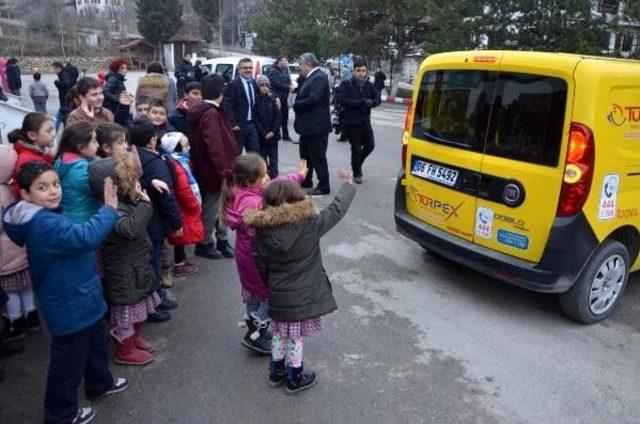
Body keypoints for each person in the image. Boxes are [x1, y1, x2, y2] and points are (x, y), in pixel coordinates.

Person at [2, 162, 129, 424]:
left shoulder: (41, 214)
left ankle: (99, 383)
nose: (53, 192)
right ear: (25, 194)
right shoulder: (44, 223)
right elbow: (85, 237)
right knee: (67, 364)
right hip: (68, 303)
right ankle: (60, 415)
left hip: (80, 295)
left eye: (55, 184)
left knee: (94, 342)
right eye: (42, 188)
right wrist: (108, 210)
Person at [245, 169, 356, 394]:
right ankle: (295, 377)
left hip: (277, 294)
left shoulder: (261, 231)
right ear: (296, 200)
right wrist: (347, 185)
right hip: (303, 297)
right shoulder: (310, 224)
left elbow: (260, 262)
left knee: (278, 334)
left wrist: (269, 286)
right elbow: (336, 209)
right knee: (295, 338)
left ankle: (275, 372)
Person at [221, 154, 307, 355]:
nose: (268, 177)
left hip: (247, 257)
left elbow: (277, 184)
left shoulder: (244, 189)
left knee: (253, 294)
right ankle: (256, 331)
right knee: (270, 296)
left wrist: (297, 176)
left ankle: (254, 330)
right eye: (265, 174)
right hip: (256, 259)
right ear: (252, 181)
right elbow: (258, 230)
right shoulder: (252, 203)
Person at [89, 151, 160, 366]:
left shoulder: (124, 202)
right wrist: (146, 204)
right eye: (133, 179)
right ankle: (124, 349)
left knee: (138, 308)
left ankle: (134, 339)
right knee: (126, 314)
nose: (137, 183)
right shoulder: (111, 210)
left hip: (135, 268)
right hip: (124, 272)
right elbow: (130, 229)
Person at [128, 118, 181, 320]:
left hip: (140, 220)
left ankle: (156, 296)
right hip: (154, 222)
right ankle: (155, 302)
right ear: (153, 139)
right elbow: (167, 197)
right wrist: (176, 223)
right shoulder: (157, 164)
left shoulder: (133, 158)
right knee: (154, 263)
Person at [187, 74, 238, 260]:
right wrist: (225, 171)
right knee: (212, 207)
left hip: (210, 168)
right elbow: (215, 145)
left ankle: (222, 239)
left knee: (221, 205)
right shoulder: (211, 113)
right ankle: (204, 242)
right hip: (214, 170)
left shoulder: (209, 111)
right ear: (220, 92)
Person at [0, 145, 40, 347]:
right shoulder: (10, 189)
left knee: (11, 290)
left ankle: (16, 321)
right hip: (20, 248)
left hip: (4, 254)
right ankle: (32, 315)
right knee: (25, 286)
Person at [159, 132, 204, 278]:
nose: (189, 147)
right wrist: (194, 205)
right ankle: (179, 265)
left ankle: (181, 260)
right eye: (186, 145)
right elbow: (185, 190)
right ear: (176, 148)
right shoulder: (179, 165)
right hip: (182, 207)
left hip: (179, 206)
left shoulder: (172, 160)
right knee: (180, 236)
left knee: (180, 236)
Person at [337, 57, 381, 184]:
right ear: (354, 71)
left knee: (370, 145)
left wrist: (372, 102)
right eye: (358, 71)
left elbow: (378, 98)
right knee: (356, 148)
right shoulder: (347, 84)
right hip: (351, 122)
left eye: (363, 71)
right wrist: (361, 102)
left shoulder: (369, 85)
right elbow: (343, 100)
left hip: (365, 122)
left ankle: (357, 164)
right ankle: (357, 173)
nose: (361, 73)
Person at [293, 53, 332, 196]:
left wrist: (296, 105)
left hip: (317, 127)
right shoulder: (310, 77)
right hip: (307, 127)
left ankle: (324, 185)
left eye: (301, 65)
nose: (300, 68)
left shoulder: (319, 77)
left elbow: (313, 100)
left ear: (308, 65)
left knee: (318, 157)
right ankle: (306, 179)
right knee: (305, 155)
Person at [53, 121, 101, 224]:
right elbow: (102, 188)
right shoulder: (82, 170)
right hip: (84, 222)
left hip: (69, 217)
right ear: (81, 147)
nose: (98, 145)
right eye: (94, 141)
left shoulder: (63, 160)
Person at [11, 113, 56, 195]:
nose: (54, 135)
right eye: (49, 131)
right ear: (32, 135)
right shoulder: (28, 160)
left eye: (53, 129)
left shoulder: (42, 154)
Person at [222, 57, 260, 154]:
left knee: (254, 155)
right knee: (235, 155)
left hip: (252, 125)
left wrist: (274, 97)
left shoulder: (253, 83)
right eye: (245, 68)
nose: (248, 70)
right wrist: (233, 123)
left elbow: (259, 98)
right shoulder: (233, 85)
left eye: (250, 68)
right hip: (238, 126)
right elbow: (227, 106)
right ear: (239, 70)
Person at [255, 76, 282, 179]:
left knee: (273, 158)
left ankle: (274, 177)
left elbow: (278, 117)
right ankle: (264, 177)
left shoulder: (273, 99)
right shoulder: (256, 100)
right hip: (262, 135)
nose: (264, 88)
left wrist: (272, 132)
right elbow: (256, 118)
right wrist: (263, 133)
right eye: (262, 85)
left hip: (273, 135)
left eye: (266, 85)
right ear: (258, 87)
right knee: (262, 158)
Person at [268, 56, 293, 142]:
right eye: (284, 61)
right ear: (279, 61)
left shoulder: (285, 70)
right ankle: (275, 134)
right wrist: (288, 88)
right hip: (276, 97)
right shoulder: (273, 71)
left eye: (286, 61)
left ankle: (285, 135)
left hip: (284, 97)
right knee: (277, 116)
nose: (286, 62)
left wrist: (290, 85)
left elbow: (288, 80)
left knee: (285, 116)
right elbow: (276, 83)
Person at [52, 61, 75, 131]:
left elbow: (66, 84)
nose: (53, 71)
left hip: (66, 102)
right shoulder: (62, 74)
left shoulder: (64, 75)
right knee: (58, 119)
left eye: (54, 69)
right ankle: (54, 132)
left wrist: (57, 83)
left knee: (65, 120)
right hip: (64, 102)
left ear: (59, 68)